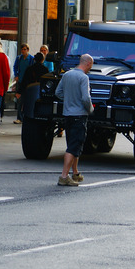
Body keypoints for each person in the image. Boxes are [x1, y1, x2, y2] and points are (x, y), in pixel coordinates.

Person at [55, 54, 94, 186]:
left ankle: (75, 172)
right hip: (79, 115)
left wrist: (69, 100)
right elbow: (85, 98)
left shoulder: (67, 75)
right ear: (88, 63)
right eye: (91, 66)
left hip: (68, 115)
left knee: (73, 144)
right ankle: (64, 176)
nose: (90, 68)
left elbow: (58, 93)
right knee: (73, 147)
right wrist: (90, 109)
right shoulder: (84, 77)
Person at [13, 43, 34, 124]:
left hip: (28, 82)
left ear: (27, 50)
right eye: (22, 49)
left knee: (27, 100)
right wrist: (16, 75)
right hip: (20, 81)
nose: (23, 51)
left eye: (25, 49)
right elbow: (15, 67)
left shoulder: (31, 59)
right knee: (19, 100)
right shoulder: (19, 58)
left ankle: (26, 117)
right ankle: (19, 117)